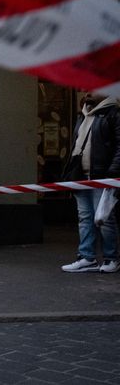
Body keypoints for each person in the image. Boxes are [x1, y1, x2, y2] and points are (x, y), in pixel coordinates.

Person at [60, 93, 120, 273]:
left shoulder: (113, 114)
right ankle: (87, 257)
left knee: (104, 219)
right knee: (85, 218)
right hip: (81, 175)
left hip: (102, 174)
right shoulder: (83, 114)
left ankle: (112, 258)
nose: (87, 92)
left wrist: (113, 171)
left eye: (93, 89)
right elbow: (77, 144)